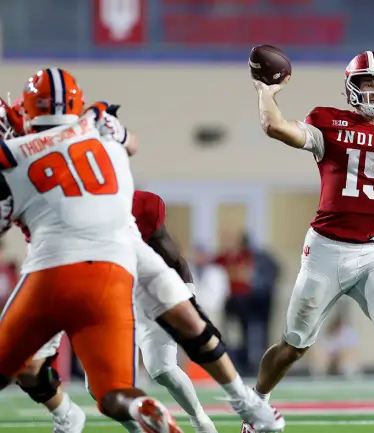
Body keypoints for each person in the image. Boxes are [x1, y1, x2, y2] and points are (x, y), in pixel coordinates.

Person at [1, 90, 283, 432]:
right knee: (98, 377)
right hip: (93, 265)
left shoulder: (22, 158)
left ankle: (228, 408)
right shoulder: (92, 127)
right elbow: (130, 141)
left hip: (91, 264)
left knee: (160, 356)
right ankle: (91, 414)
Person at [245, 50, 374, 432]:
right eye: (367, 84)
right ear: (352, 88)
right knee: (294, 346)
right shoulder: (329, 123)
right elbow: (277, 128)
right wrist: (266, 93)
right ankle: (257, 404)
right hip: (326, 249)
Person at [0, 67, 183, 432]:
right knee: (89, 385)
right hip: (102, 264)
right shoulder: (85, 126)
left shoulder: (24, 144)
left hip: (55, 264)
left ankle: (74, 415)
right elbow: (128, 142)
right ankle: (73, 415)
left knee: (18, 362)